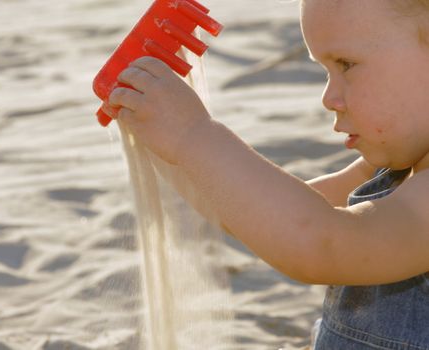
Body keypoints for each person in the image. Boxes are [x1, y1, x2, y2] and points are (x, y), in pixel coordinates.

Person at [103, 0, 429, 348]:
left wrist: (194, 135)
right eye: (325, 71)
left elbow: (324, 244)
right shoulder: (390, 168)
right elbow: (270, 217)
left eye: (346, 64)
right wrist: (171, 151)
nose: (328, 97)